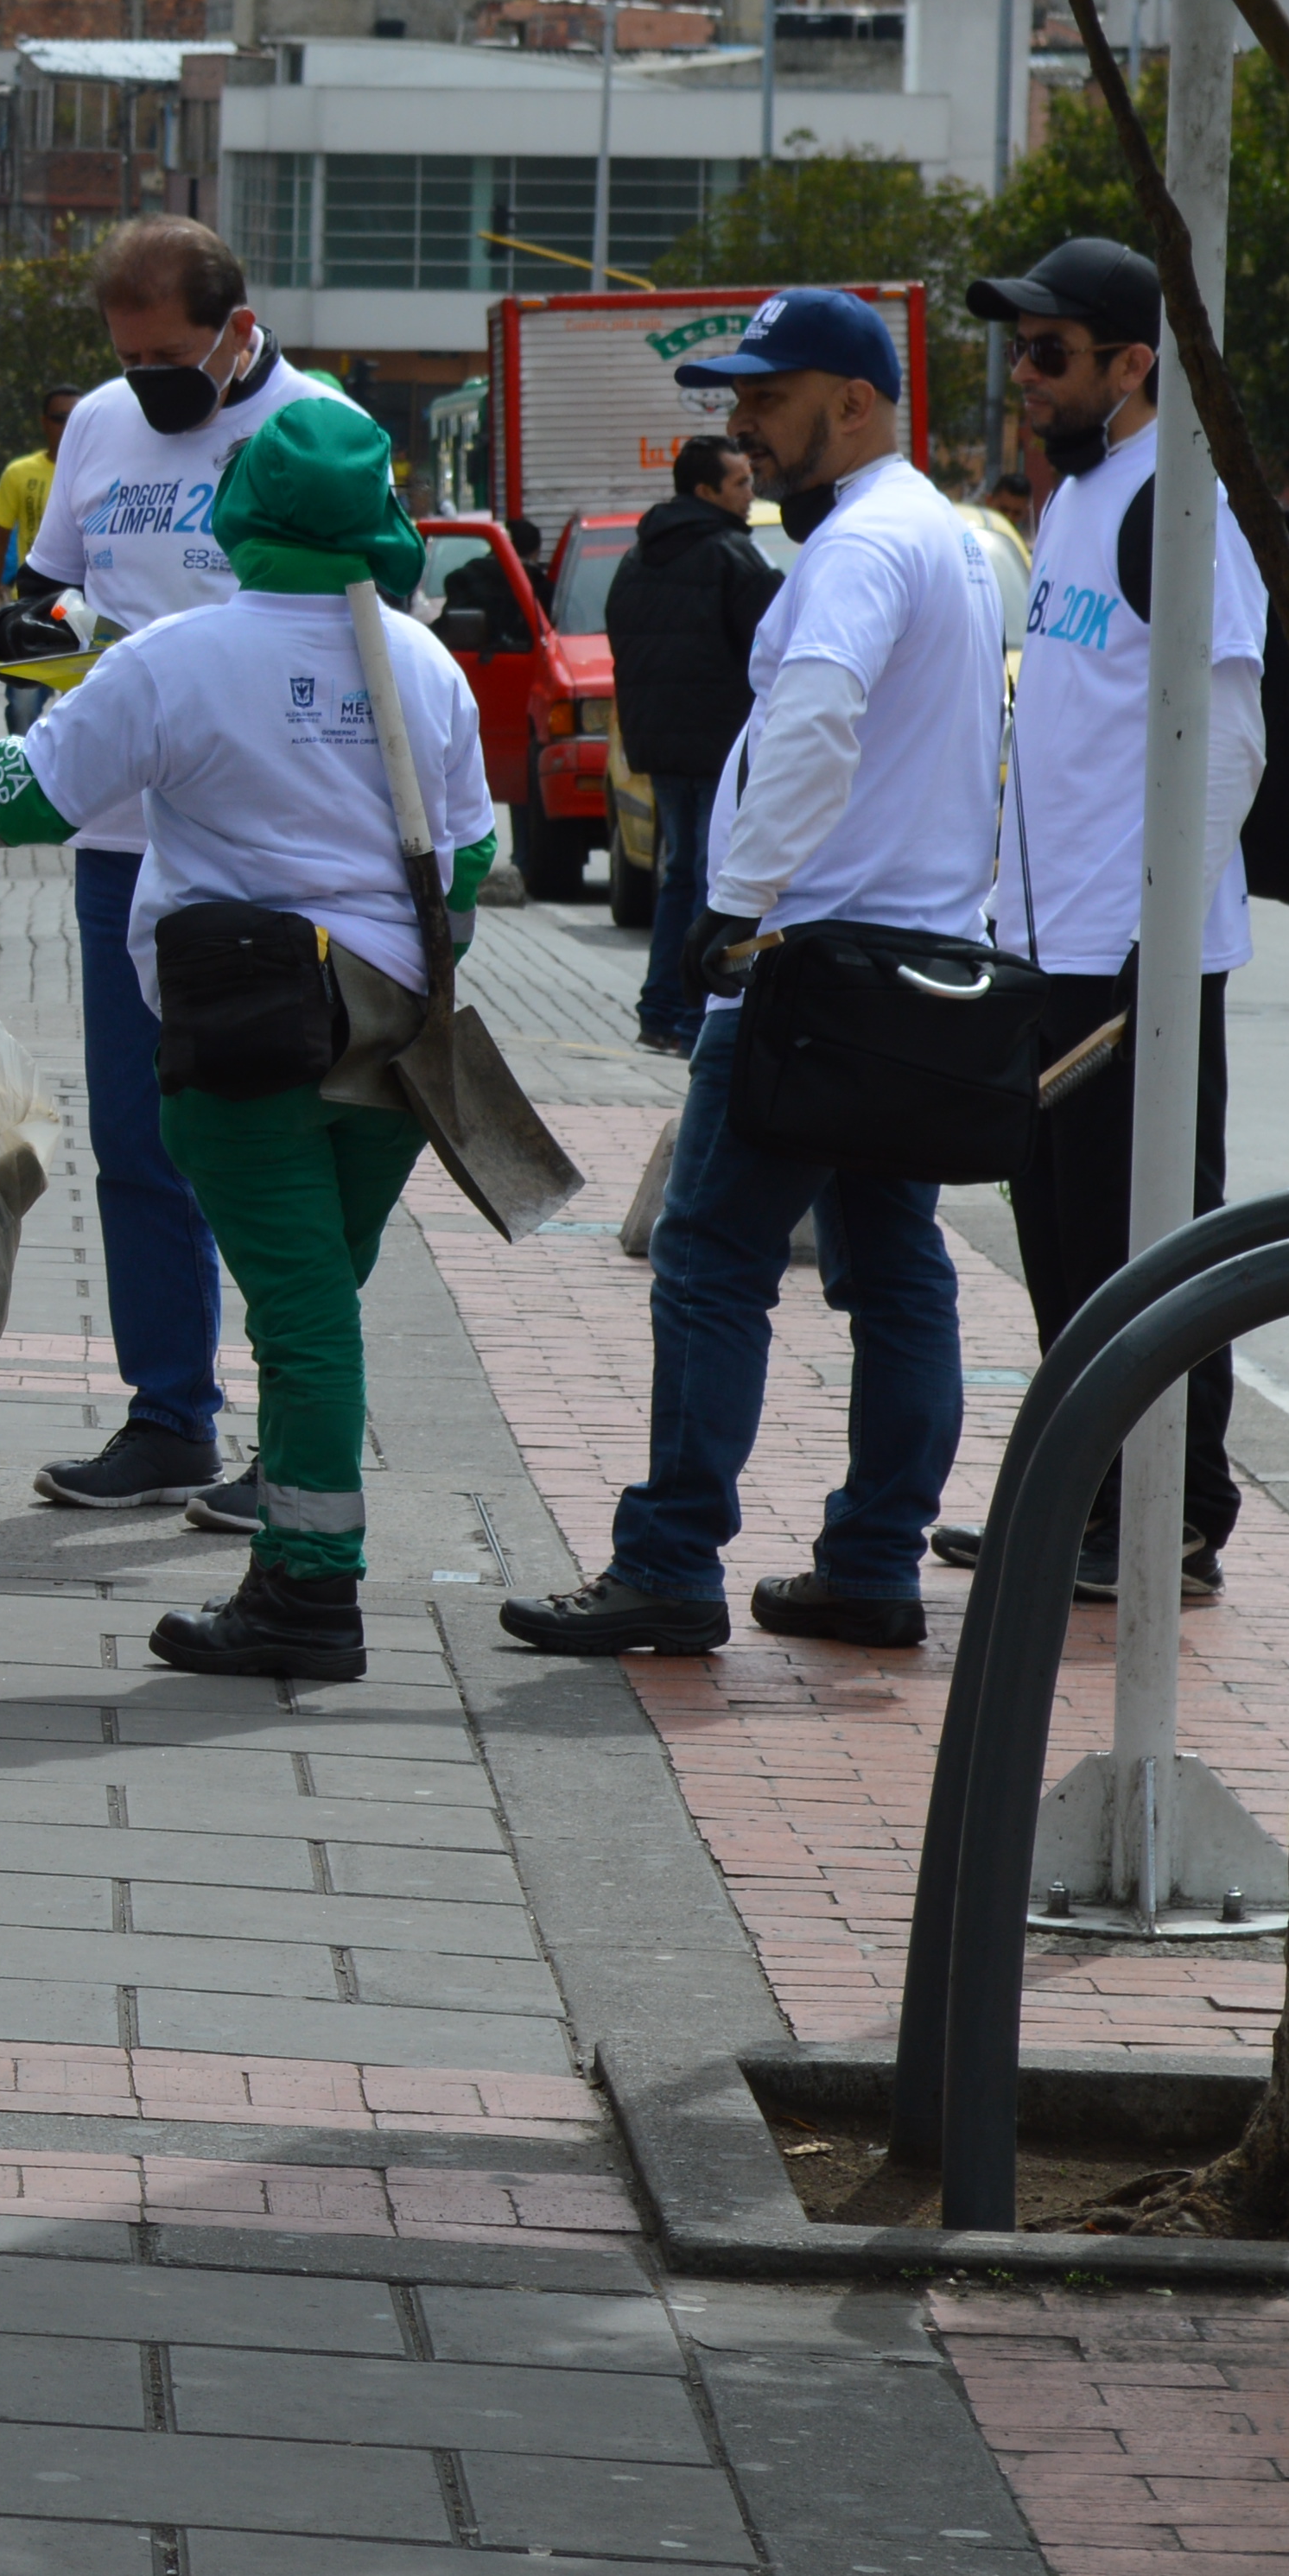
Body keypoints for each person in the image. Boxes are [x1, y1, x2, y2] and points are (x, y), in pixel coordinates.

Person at [0, 403, 496, 1680]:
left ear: (240, 511)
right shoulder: (425, 663)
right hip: (398, 1046)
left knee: (301, 1323)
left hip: (247, 1034)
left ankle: (310, 1595)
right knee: (315, 1308)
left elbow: (25, 793)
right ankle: (292, 1568)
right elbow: (474, 855)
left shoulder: (177, 659)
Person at [505, 289, 1002, 1659]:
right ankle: (873, 1563)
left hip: (808, 962)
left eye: (768, 399)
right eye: (736, 401)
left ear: (855, 400)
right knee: (896, 1269)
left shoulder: (858, 550)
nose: (743, 426)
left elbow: (819, 721)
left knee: (714, 1258)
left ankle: (670, 1562)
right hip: (907, 963)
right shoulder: (944, 539)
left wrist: (733, 906)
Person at [3, 217, 365, 1520]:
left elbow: (375, 620)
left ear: (237, 328)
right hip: (120, 839)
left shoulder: (319, 429)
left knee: (271, 1147)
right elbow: (45, 584)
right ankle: (171, 1421)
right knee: (142, 1138)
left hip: (272, 853)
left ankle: (297, 1439)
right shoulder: (101, 423)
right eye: (128, 355)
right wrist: (30, 625)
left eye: (169, 357)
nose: (149, 381)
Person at [955, 233, 1265, 1603]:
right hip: (1046, 944)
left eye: (1050, 354)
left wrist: (1157, 937)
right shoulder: (1076, 496)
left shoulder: (1176, 502)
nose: (1024, 378)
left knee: (1147, 1240)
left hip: (1132, 956)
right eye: (1017, 351)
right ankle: (1085, 1495)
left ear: (1134, 364)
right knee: (1063, 1237)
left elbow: (1236, 733)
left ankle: (1177, 1519)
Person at [605, 432, 780, 1053]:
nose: (751, 492)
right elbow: (772, 654)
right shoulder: (735, 556)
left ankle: (659, 1010)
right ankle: (689, 1018)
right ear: (706, 491)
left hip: (660, 747)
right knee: (712, 882)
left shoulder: (640, 554)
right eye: (740, 483)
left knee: (679, 876)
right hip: (717, 747)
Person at [0, 390, 70, 568]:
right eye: (59, 418)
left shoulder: (102, 474)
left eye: (75, 419)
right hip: (32, 591)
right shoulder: (19, 472)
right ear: (44, 422)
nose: (67, 426)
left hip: (84, 594)